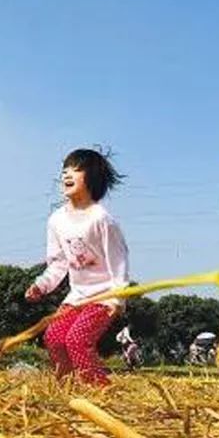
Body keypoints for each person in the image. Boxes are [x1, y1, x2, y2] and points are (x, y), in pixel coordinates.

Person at [24, 149, 129, 386]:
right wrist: (41, 285)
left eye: (76, 169)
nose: (67, 174)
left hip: (104, 296)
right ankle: (67, 386)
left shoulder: (102, 219)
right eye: (65, 170)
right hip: (77, 296)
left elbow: (119, 261)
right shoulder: (56, 220)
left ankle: (99, 389)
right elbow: (59, 262)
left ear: (92, 177)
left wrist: (117, 300)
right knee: (54, 337)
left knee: (77, 340)